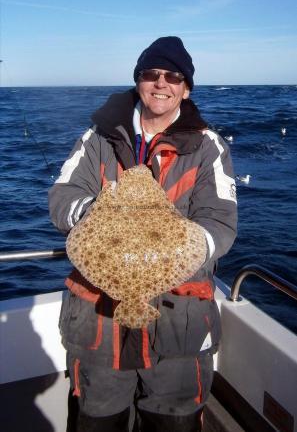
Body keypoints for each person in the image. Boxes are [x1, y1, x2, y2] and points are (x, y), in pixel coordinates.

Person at [49, 36, 237, 432]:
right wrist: (96, 214)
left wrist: (175, 250)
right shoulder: (96, 139)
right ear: (138, 81)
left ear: (186, 87)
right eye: (151, 74)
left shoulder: (209, 148)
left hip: (176, 330)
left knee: (173, 423)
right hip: (99, 331)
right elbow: (62, 198)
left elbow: (219, 225)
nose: (161, 83)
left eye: (173, 76)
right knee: (97, 421)